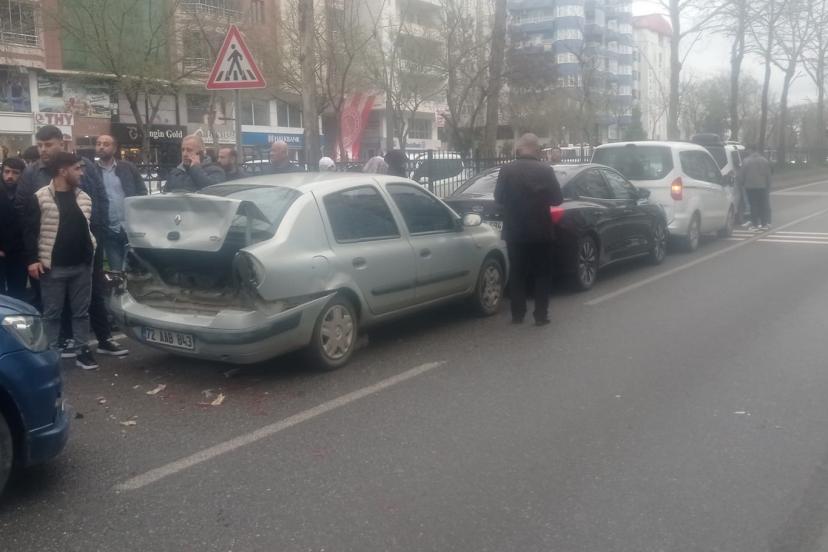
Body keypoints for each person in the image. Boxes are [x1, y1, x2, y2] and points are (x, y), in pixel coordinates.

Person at [16, 125, 126, 358]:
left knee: (93, 293)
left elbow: (99, 198)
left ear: (61, 143)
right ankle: (62, 342)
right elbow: (24, 211)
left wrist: (96, 233)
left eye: (48, 145)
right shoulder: (32, 173)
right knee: (54, 303)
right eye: (40, 145)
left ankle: (104, 338)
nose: (43, 150)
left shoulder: (84, 166)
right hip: (50, 250)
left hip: (87, 243)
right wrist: (33, 254)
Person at [22, 153, 98, 370]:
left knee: (81, 312)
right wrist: (32, 260)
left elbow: (90, 228)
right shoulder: (40, 197)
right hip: (52, 267)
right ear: (63, 171)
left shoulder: (84, 197)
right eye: (77, 168)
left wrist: (92, 252)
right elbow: (30, 231)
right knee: (52, 314)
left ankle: (82, 351)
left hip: (82, 266)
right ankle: (51, 355)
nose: (82, 173)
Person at [494, 133, 563, 326]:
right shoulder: (546, 170)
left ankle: (518, 314)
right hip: (541, 231)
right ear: (535, 148)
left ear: (522, 147)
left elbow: (498, 198)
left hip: (515, 231)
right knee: (542, 274)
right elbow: (557, 199)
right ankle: (541, 315)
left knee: (517, 272)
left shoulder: (506, 170)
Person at [95, 135, 147, 271]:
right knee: (116, 272)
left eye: (106, 144)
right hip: (109, 230)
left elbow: (142, 192)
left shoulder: (128, 167)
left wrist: (139, 217)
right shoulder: (92, 171)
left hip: (131, 228)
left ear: (114, 148)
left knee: (138, 270)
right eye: (98, 144)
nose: (101, 147)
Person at [0, 158, 27, 300]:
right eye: (7, 172)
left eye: (15, 173)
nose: (10, 176)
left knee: (18, 293)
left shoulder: (27, 194)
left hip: (19, 251)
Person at [737, 145, 772, 231]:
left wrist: (741, 183)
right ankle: (764, 224)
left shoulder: (746, 161)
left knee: (753, 205)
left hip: (750, 187)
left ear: (751, 150)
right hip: (762, 186)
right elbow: (768, 174)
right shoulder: (764, 160)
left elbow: (742, 174)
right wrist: (768, 185)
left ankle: (755, 224)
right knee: (762, 205)